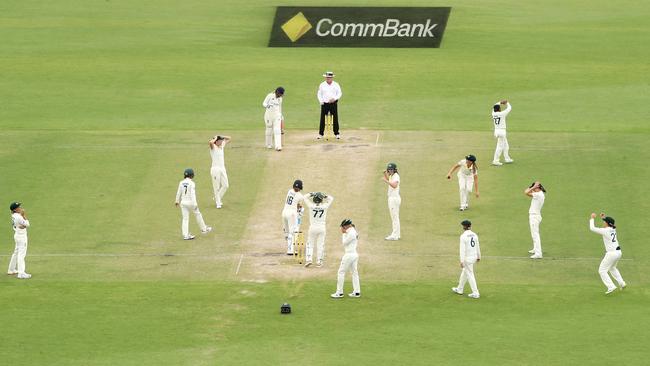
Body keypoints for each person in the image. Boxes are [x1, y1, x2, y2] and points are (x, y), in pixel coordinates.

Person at [589, 213, 627, 294]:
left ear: (607, 224)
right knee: (612, 268)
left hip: (611, 254)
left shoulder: (605, 231)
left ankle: (611, 286)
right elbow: (610, 222)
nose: (603, 223)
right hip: (618, 252)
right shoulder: (613, 228)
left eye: (604, 222)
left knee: (602, 270)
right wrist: (604, 217)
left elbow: (592, 228)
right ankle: (622, 283)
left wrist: (592, 218)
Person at [175, 168, 212, 240]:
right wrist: (195, 204)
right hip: (191, 203)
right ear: (192, 175)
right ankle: (204, 229)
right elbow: (192, 194)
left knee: (185, 219)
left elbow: (179, 192)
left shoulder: (181, 182)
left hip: (183, 203)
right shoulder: (192, 183)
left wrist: (176, 201)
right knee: (198, 214)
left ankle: (185, 235)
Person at [302, 192, 334, 267]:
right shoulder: (324, 206)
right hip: (322, 228)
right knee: (320, 245)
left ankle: (309, 259)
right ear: (321, 200)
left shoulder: (311, 206)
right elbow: (331, 198)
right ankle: (319, 261)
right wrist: (325, 195)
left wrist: (312, 193)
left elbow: (304, 197)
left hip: (312, 227)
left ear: (314, 199)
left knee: (310, 244)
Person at [331, 219, 361, 298]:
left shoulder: (350, 233)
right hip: (354, 254)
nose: (341, 228)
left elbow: (344, 243)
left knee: (341, 272)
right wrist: (345, 231)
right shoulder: (352, 231)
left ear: (346, 226)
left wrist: (343, 233)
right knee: (354, 273)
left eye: (342, 227)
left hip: (349, 255)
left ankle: (339, 292)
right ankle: (357, 292)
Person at [452, 220, 481, 298]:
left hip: (467, 259)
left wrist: (461, 261)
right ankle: (460, 289)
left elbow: (462, 250)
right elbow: (477, 246)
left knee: (470, 274)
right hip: (474, 257)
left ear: (464, 227)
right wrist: (479, 256)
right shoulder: (474, 235)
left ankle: (475, 293)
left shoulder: (463, 236)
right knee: (465, 272)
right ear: (470, 226)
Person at [7, 202, 31, 279]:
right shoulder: (19, 217)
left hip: (17, 235)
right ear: (15, 209)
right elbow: (27, 224)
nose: (20, 207)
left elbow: (24, 225)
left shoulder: (14, 215)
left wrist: (22, 219)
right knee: (21, 254)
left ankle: (11, 269)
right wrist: (24, 216)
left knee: (16, 253)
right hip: (21, 237)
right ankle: (21, 273)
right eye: (19, 207)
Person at [317, 71, 342, 140]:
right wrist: (321, 101)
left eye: (329, 78)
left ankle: (336, 133)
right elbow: (319, 94)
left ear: (332, 78)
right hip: (324, 104)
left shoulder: (336, 84)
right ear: (325, 77)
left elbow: (339, 93)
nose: (328, 79)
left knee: (335, 118)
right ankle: (321, 134)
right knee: (322, 118)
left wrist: (335, 98)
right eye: (327, 77)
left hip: (333, 103)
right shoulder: (322, 85)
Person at [282, 180, 304, 255]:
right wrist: (300, 211)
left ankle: (288, 240)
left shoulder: (289, 191)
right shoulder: (300, 196)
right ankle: (290, 250)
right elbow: (299, 206)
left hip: (284, 212)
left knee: (288, 232)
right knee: (293, 232)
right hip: (291, 214)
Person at [525, 181, 546, 259]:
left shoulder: (538, 194)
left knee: (535, 235)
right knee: (534, 234)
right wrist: (533, 186)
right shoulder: (539, 194)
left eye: (534, 188)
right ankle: (535, 249)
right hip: (536, 216)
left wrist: (532, 187)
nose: (532, 189)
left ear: (537, 188)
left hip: (534, 217)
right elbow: (528, 191)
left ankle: (538, 253)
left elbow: (526, 192)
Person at [209, 135, 231, 209]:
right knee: (216, 187)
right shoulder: (213, 147)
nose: (222, 142)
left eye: (222, 141)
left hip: (222, 168)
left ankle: (217, 197)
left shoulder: (222, 146)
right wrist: (215, 137)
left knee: (226, 185)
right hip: (215, 169)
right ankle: (218, 203)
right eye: (220, 140)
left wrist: (221, 135)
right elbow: (210, 143)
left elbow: (229, 138)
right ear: (216, 141)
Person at [382, 162, 401, 240]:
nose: (390, 171)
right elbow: (389, 179)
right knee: (395, 217)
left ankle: (394, 236)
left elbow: (394, 185)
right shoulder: (392, 176)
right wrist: (385, 175)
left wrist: (385, 181)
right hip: (392, 198)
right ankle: (397, 234)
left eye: (391, 170)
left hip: (394, 199)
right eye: (389, 169)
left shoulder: (396, 176)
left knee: (394, 217)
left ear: (395, 170)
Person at [491, 100, 514, 166]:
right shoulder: (502, 114)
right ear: (499, 109)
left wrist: (500, 102)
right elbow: (509, 108)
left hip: (497, 131)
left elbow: (494, 106)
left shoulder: (493, 113)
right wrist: (507, 103)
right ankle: (495, 160)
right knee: (500, 146)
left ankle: (507, 158)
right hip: (501, 131)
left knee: (506, 145)